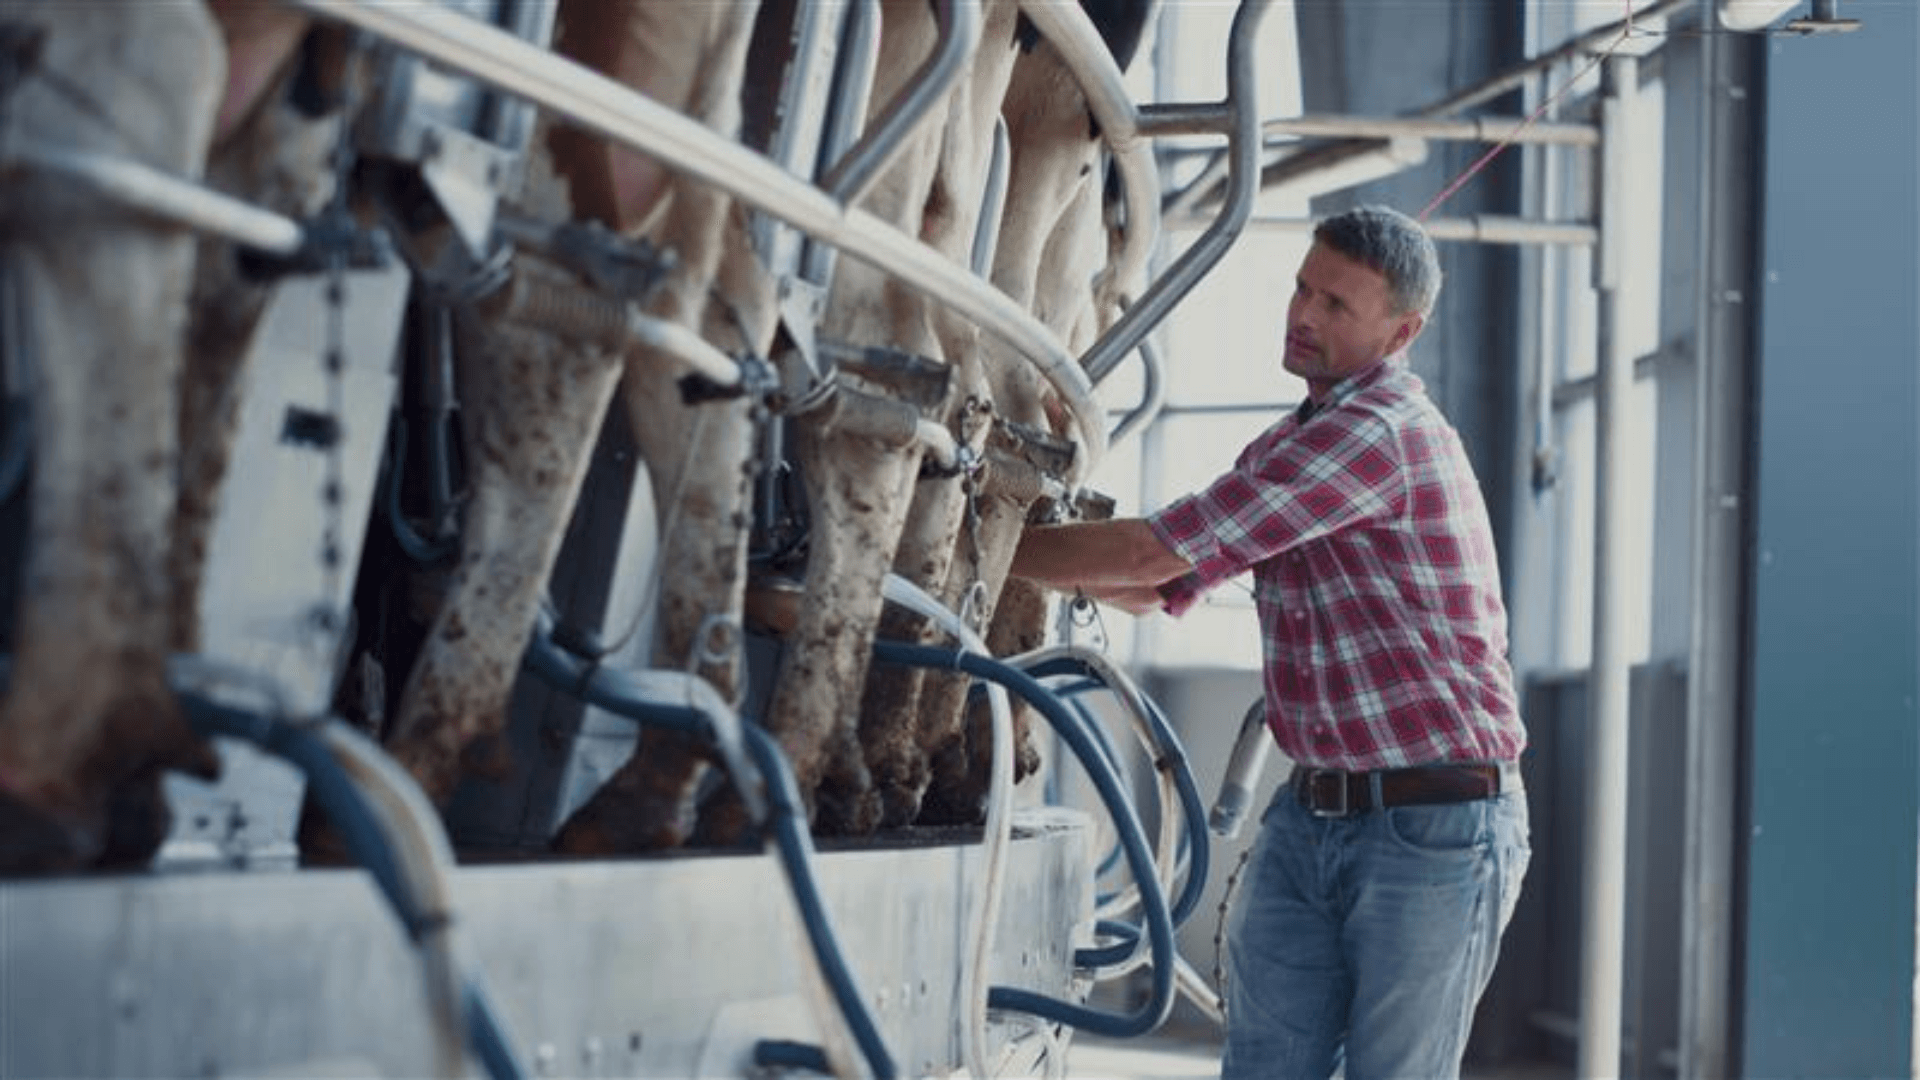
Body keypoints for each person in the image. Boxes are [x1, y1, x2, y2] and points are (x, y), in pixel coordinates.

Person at [1009, 205, 1529, 1080]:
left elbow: (1148, 550)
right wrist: (1048, 547)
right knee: (1264, 1066)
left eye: (1337, 305)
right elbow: (1153, 582)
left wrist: (974, 538)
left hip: (1435, 826)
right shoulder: (1292, 443)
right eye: (1302, 288)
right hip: (1311, 815)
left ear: (1403, 332)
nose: (1303, 315)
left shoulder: (1380, 437)